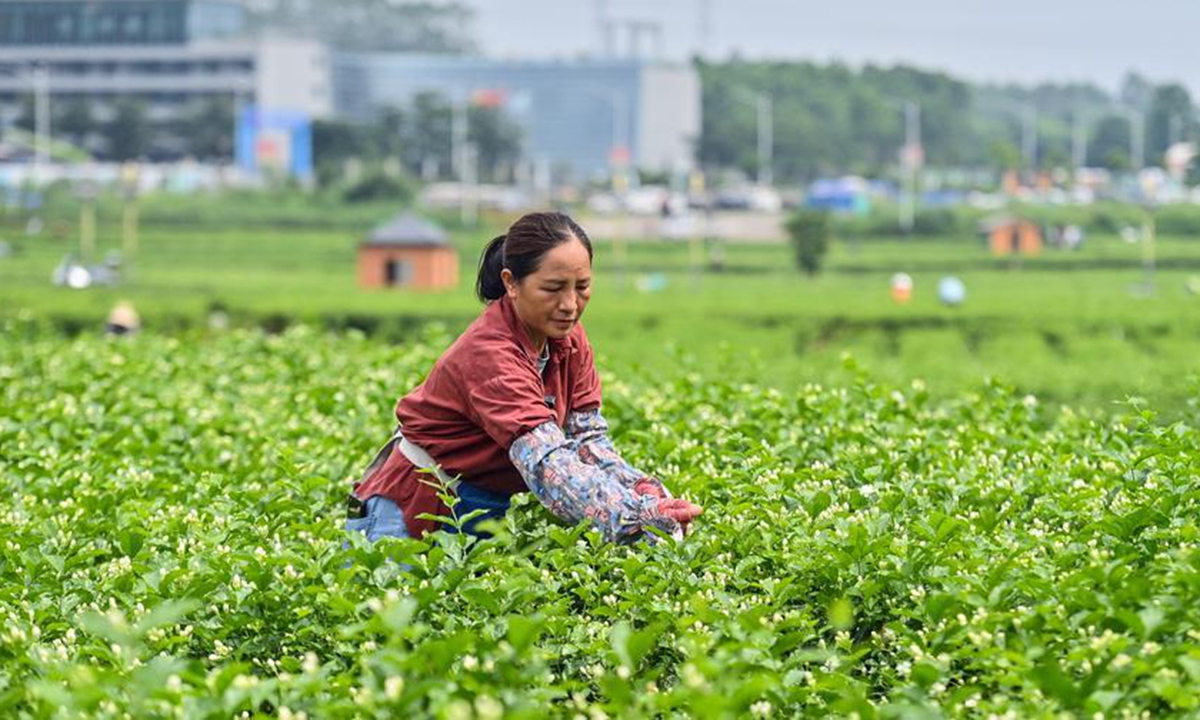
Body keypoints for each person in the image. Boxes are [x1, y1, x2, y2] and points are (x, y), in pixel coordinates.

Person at [348, 211, 703, 545]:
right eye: (553, 288)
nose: (570, 304)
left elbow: (586, 438)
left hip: (483, 503)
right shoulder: (490, 354)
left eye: (582, 286)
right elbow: (547, 462)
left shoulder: (569, 340)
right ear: (511, 283)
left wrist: (641, 489)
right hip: (415, 507)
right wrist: (633, 516)